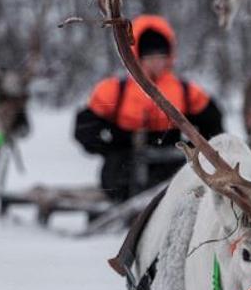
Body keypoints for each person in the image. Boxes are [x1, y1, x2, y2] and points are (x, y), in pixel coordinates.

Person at [73, 14, 224, 202]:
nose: (156, 63)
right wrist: (110, 151)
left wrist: (194, 151)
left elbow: (214, 125)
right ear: (136, 56)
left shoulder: (186, 91)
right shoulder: (113, 90)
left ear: (169, 57)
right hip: (123, 173)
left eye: (161, 56)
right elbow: (85, 128)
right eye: (150, 57)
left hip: (173, 172)